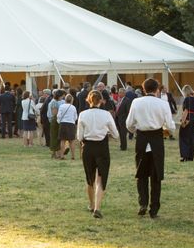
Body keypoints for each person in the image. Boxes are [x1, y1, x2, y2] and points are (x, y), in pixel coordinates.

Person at [126, 78, 175, 219]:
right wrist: (169, 132)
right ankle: (154, 208)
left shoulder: (136, 102)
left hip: (142, 138)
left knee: (141, 173)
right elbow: (170, 125)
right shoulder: (163, 103)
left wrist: (135, 130)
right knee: (156, 175)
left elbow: (129, 123)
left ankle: (143, 204)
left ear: (143, 89)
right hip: (156, 139)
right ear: (157, 89)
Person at [77, 90, 120, 218]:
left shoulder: (83, 114)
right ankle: (97, 208)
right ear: (101, 101)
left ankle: (91, 204)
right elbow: (116, 134)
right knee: (101, 178)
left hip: (88, 147)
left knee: (89, 178)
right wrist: (105, 131)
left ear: (88, 100)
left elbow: (79, 136)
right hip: (102, 147)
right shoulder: (106, 114)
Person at [179, 85, 194, 162]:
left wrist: (183, 121)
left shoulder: (187, 99)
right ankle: (191, 156)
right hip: (193, 118)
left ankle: (184, 155)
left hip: (188, 117)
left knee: (183, 137)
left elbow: (186, 110)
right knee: (192, 138)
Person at [56, 93, 78, 160]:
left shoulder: (61, 106)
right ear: (71, 100)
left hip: (63, 123)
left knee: (63, 140)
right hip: (71, 124)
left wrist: (59, 121)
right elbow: (75, 117)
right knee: (72, 141)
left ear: (65, 99)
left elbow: (59, 115)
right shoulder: (73, 107)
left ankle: (62, 155)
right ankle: (73, 156)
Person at [48, 90, 65, 159]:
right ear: (59, 96)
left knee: (56, 136)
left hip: (56, 120)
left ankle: (55, 153)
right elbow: (55, 113)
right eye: (62, 95)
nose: (63, 97)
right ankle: (55, 153)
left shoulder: (55, 101)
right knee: (55, 137)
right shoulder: (54, 102)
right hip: (55, 120)